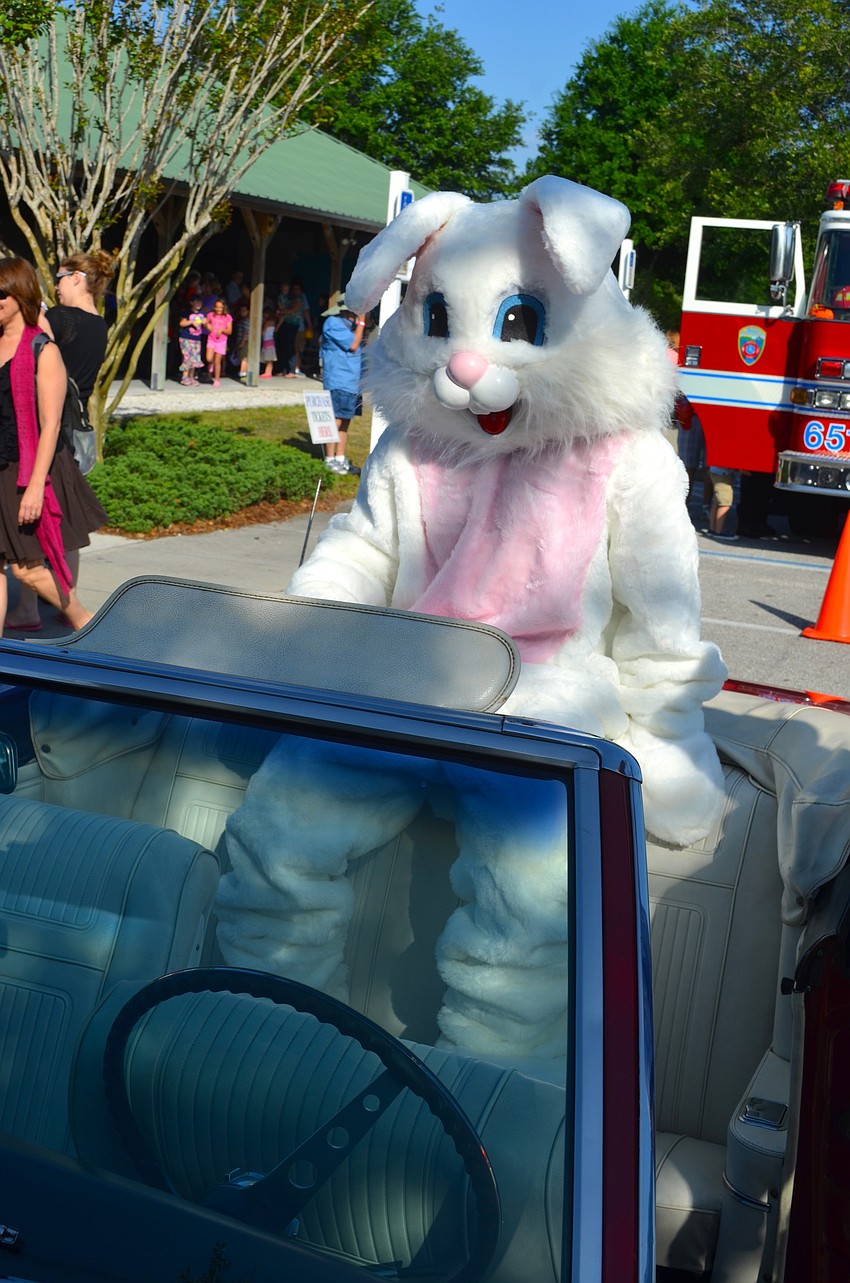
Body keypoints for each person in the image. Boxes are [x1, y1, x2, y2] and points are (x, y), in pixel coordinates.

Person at [7, 250, 114, 631]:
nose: (54, 283)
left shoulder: (59, 319)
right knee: (67, 522)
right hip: (71, 429)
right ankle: (64, 599)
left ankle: (31, 609)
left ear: (77, 278)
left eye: (60, 275)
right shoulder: (100, 324)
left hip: (41, 428)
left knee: (32, 530)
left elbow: (33, 345)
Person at [320, 292, 364, 475]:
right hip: (338, 381)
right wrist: (362, 322)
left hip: (352, 383)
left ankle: (340, 458)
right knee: (335, 420)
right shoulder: (333, 323)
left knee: (346, 420)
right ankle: (329, 459)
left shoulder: (349, 326)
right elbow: (353, 345)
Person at [283, 280, 312, 378]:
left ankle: (296, 369)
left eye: (297, 288)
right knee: (290, 347)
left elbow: (305, 311)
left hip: (299, 327)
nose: (295, 290)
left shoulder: (301, 297)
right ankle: (290, 369)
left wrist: (309, 324)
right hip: (291, 325)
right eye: (294, 288)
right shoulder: (290, 297)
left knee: (297, 348)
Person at [177, 292, 207, 385]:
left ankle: (191, 377)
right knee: (187, 357)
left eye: (200, 302)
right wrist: (191, 322)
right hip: (186, 338)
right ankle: (185, 376)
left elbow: (206, 322)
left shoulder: (202, 313)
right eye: (196, 302)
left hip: (197, 338)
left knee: (195, 358)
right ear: (191, 303)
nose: (199, 304)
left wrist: (205, 322)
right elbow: (181, 323)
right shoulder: (186, 312)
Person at [204, 297, 232, 387]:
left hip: (221, 340)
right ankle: (210, 365)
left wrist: (222, 330)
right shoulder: (210, 315)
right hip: (211, 339)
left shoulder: (227, 317)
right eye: (217, 307)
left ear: (224, 308)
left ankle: (216, 379)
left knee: (217, 361)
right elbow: (206, 324)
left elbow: (229, 331)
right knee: (209, 358)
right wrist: (206, 325)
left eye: (220, 307)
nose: (219, 309)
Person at [708, 466, 739, 540]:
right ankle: (718, 531)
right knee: (724, 503)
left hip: (715, 471)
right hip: (723, 474)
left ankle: (712, 529)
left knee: (717, 502)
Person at [259, 308, 278, 377]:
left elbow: (263, 332)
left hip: (266, 341)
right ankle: (268, 372)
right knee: (270, 358)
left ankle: (268, 373)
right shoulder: (273, 322)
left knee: (268, 359)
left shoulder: (267, 322)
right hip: (271, 340)